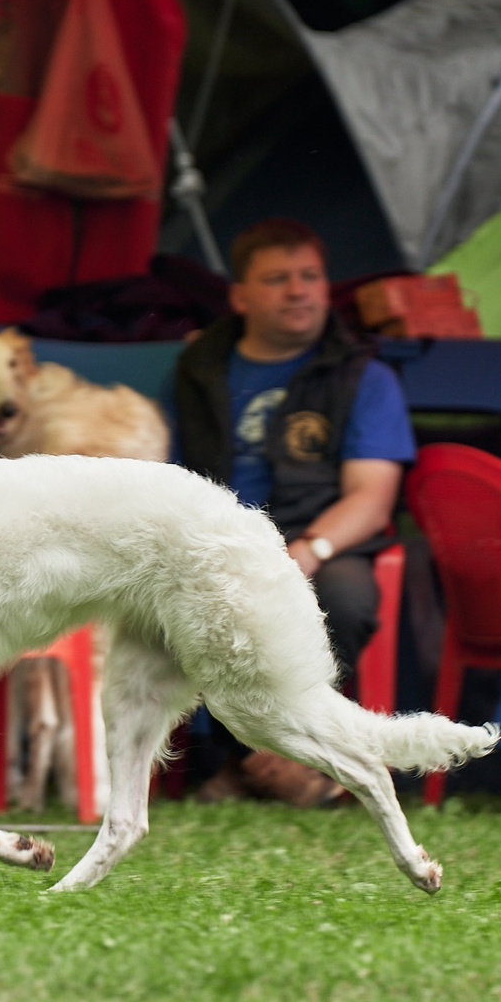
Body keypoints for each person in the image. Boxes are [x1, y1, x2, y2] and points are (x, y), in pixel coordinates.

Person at [171, 218, 416, 802]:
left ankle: (295, 757)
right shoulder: (200, 367)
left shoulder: (364, 376)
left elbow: (372, 496)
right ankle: (241, 759)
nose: (298, 290)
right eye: (277, 279)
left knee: (345, 599)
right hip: (217, 535)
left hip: (321, 538)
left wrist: (308, 551)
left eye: (309, 276)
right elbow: (171, 471)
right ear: (241, 296)